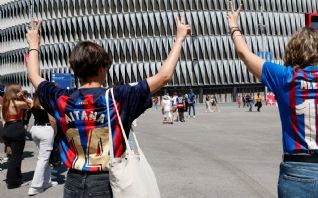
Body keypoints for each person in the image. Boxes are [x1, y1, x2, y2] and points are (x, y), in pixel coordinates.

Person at [26, 16, 191, 197]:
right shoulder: (117, 97)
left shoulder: (62, 98)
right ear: (102, 69)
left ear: (75, 69)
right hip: (108, 180)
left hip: (73, 180)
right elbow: (164, 76)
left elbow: (34, 76)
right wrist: (179, 38)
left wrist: (34, 44)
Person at [226, 0, 318, 197]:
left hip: (298, 170)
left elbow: (245, 54)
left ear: (292, 50)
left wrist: (234, 26)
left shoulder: (285, 78)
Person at [1, 84, 32, 189]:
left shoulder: (6, 102)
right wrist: (23, 97)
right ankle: (13, 182)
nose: (22, 91)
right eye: (20, 90)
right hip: (16, 128)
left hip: (7, 127)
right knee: (16, 157)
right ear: (15, 92)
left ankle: (15, 178)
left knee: (13, 156)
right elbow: (31, 104)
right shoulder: (17, 103)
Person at [28, 93, 58, 196]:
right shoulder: (47, 104)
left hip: (35, 130)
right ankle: (35, 186)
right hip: (46, 129)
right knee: (43, 158)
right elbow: (52, 120)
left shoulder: (32, 104)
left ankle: (46, 181)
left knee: (44, 157)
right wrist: (55, 132)